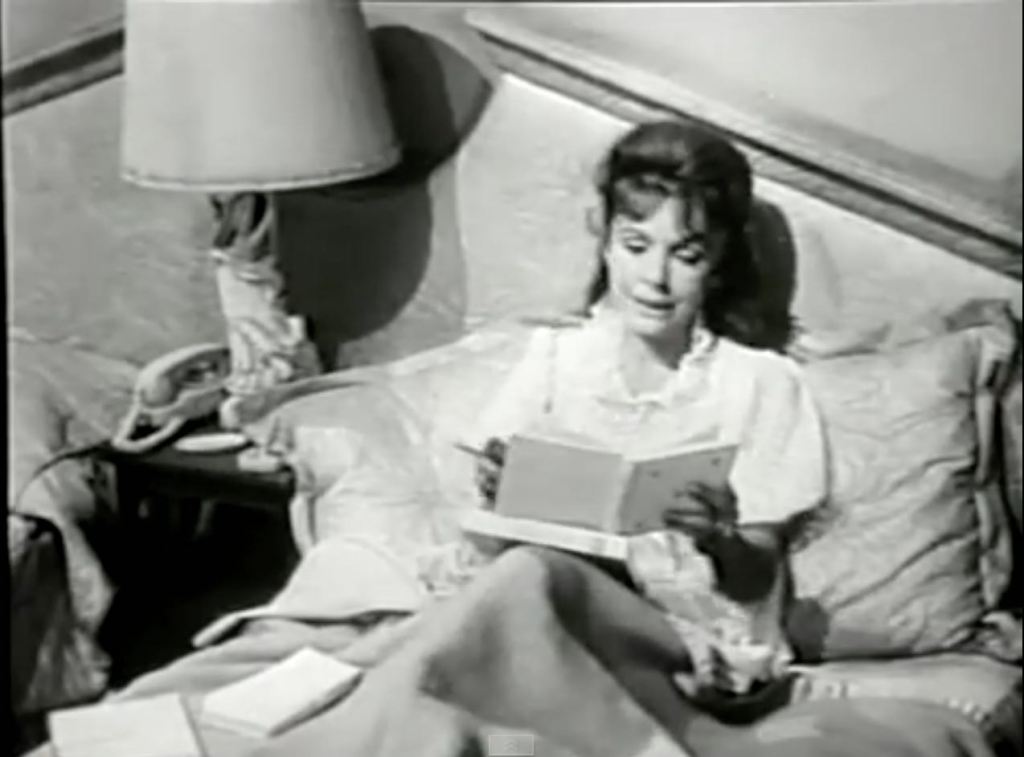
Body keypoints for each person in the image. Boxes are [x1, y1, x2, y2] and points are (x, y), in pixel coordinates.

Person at [466, 120, 829, 703]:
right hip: (548, 615)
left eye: (686, 255)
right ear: (606, 241)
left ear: (717, 263)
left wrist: (720, 539)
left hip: (675, 633)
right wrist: (497, 484)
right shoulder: (556, 358)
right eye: (636, 246)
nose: (655, 279)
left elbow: (755, 577)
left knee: (517, 597)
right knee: (504, 605)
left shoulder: (760, 382)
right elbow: (492, 524)